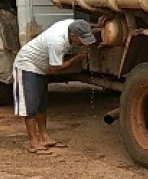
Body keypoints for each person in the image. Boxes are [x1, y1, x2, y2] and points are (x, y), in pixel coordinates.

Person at [13, 19, 96, 154]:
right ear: (73, 36)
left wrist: (96, 25)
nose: (82, 43)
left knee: (42, 104)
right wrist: (77, 58)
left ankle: (44, 136)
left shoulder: (72, 25)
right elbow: (55, 68)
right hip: (27, 65)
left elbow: (84, 24)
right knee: (30, 105)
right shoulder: (57, 42)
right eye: (81, 40)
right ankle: (33, 142)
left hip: (40, 67)